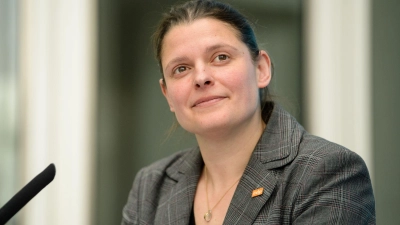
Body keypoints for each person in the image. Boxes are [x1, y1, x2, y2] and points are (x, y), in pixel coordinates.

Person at [121, 0, 375, 224]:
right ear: (168, 95)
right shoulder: (151, 186)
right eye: (181, 69)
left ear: (261, 69)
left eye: (220, 57)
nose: (201, 77)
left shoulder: (326, 172)